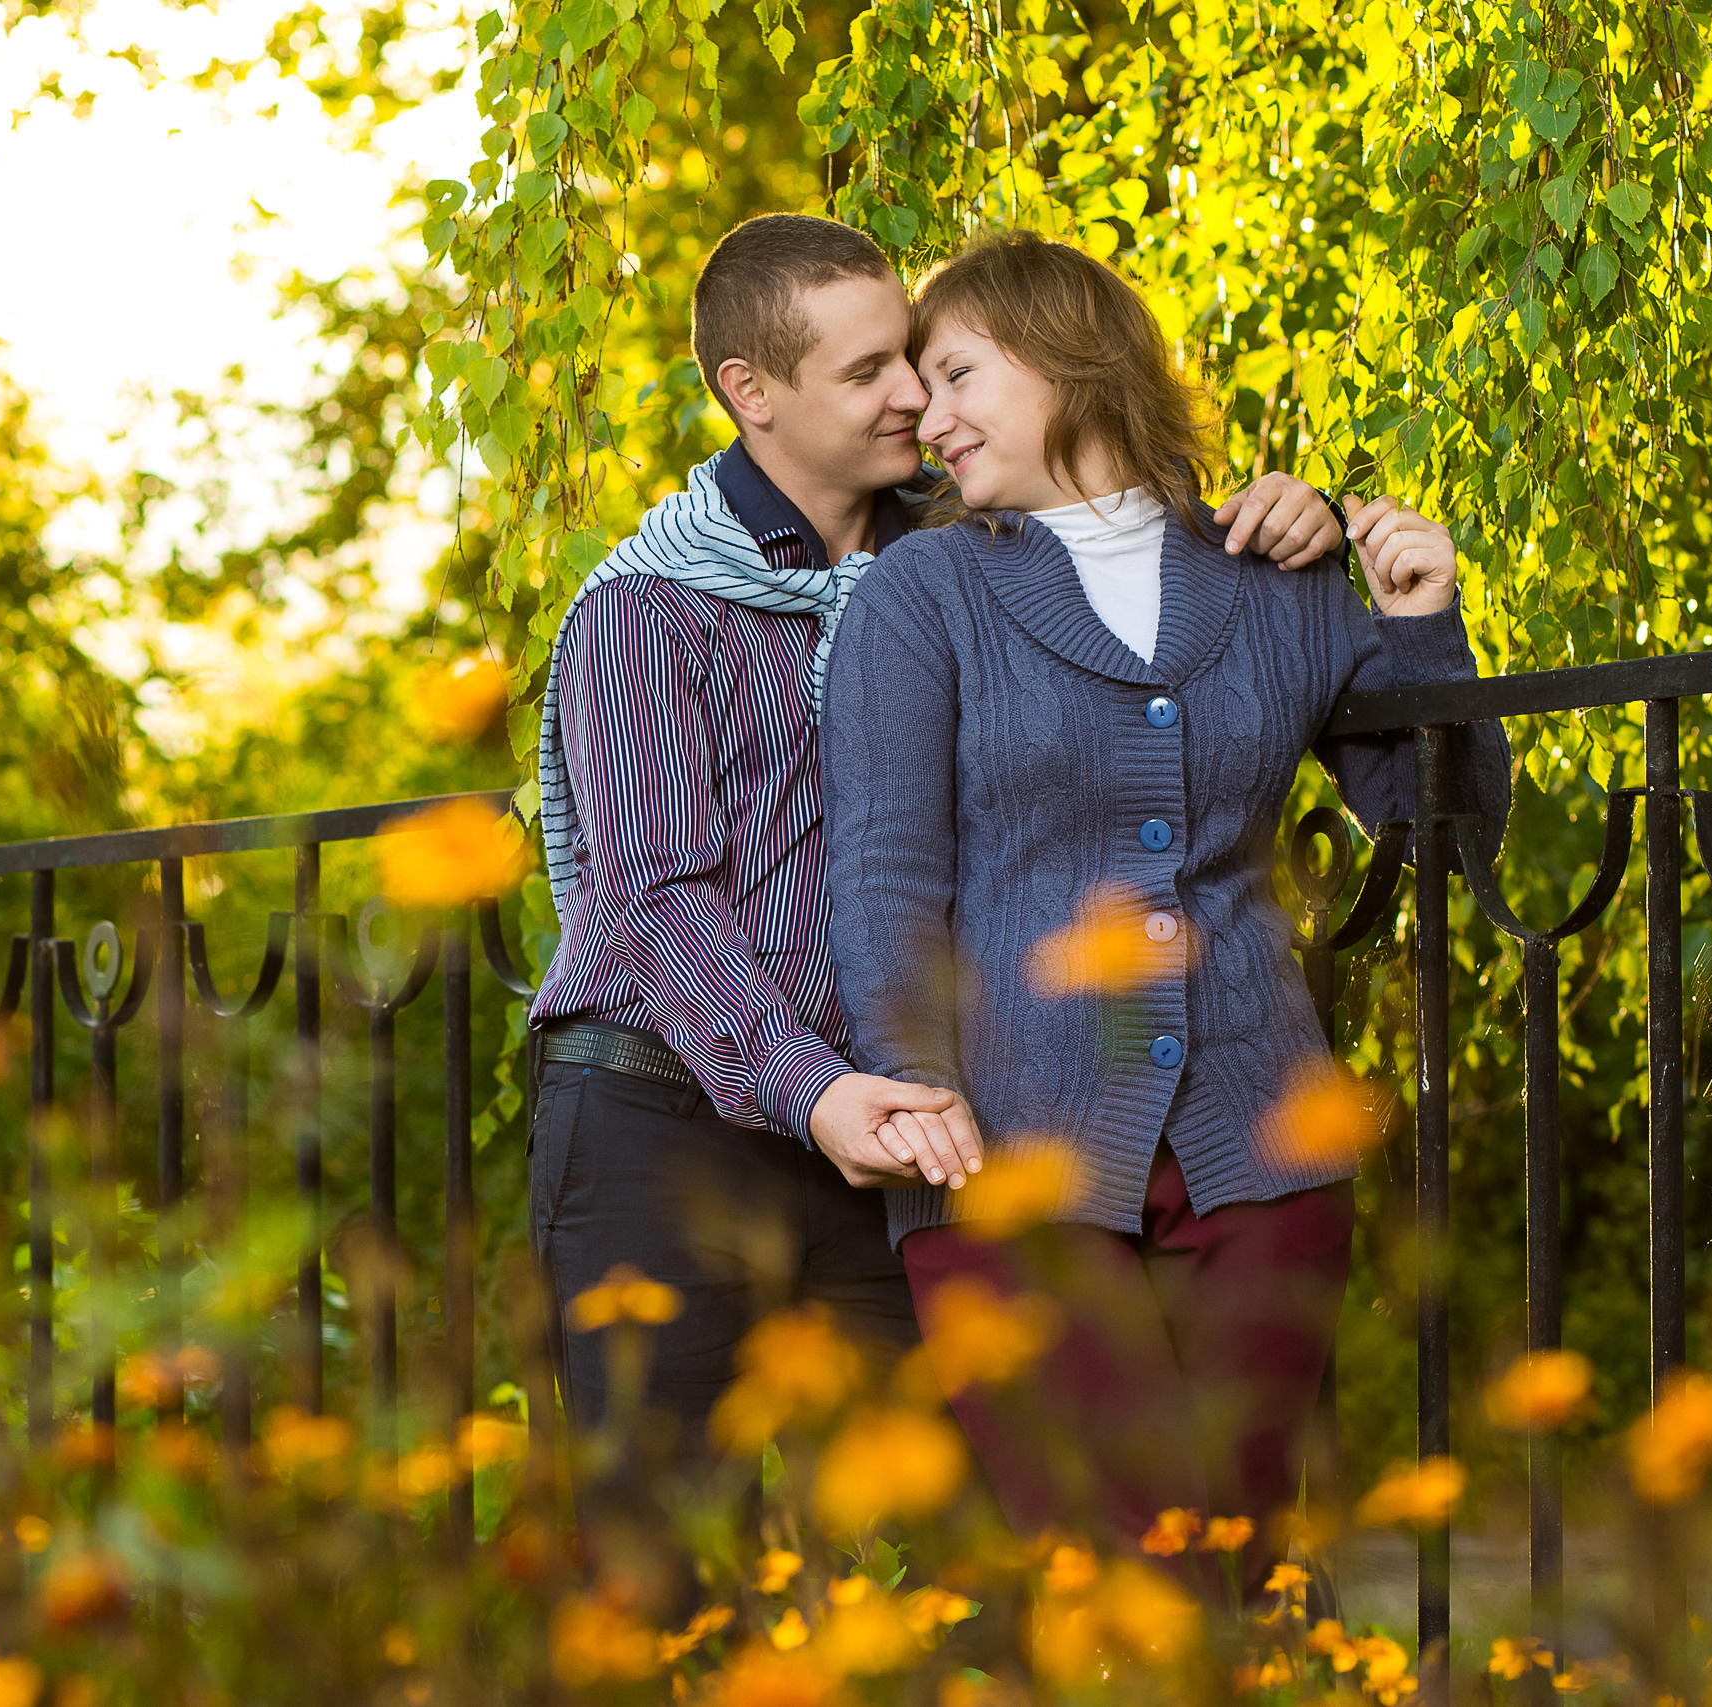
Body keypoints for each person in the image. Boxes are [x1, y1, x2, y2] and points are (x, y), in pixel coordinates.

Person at [527, 214, 1348, 1528]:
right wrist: (824, 1090)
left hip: (897, 1135)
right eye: (870, 373)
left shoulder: (964, 556)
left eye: (921, 359)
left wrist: (1301, 511)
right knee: (669, 1566)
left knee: (975, 1556)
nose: (914, 394)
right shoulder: (650, 609)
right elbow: (649, 902)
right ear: (753, 394)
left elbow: (1125, 546)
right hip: (675, 1120)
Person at [818, 228, 1511, 1596]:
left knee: (1228, 1586)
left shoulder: (1278, 581)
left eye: (956, 375)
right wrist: (917, 1089)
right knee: (1116, 1590)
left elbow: (1450, 847)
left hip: (1260, 1164)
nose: (928, 418)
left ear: (1070, 358)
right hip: (1005, 1171)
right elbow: (886, 870)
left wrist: (1423, 624)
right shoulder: (924, 594)